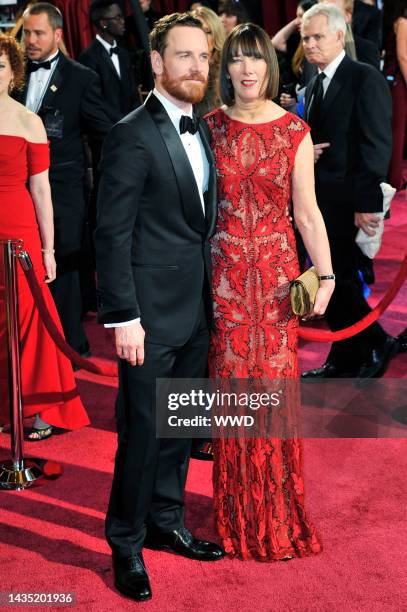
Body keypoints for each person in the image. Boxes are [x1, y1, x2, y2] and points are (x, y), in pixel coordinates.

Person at [95, 13, 224, 602]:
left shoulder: (206, 129)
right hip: (146, 319)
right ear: (156, 62)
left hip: (196, 311)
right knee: (142, 434)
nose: (196, 67)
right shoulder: (131, 133)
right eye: (184, 56)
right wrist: (124, 317)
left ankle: (167, 522)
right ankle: (125, 544)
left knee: (180, 429)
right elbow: (112, 234)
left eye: (203, 56)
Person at [206, 23, 334, 560]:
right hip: (226, 282)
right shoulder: (207, 127)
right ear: (226, 68)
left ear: (269, 65)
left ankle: (278, 511)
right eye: (236, 59)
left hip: (278, 283)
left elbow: (306, 212)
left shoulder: (294, 131)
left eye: (255, 58)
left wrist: (324, 275)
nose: (246, 68)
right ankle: (235, 510)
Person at [300, 3, 398, 380]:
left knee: (339, 278)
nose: (309, 44)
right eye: (306, 37)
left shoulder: (363, 77)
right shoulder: (314, 82)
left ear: (340, 36)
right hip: (322, 201)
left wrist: (367, 205)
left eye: (318, 36)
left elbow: (377, 146)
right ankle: (345, 355)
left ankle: (374, 343)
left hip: (349, 201)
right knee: (331, 278)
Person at [0, 35, 89, 440]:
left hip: (19, 232)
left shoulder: (27, 121)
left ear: (13, 71)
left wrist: (49, 249)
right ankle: (8, 405)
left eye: (1, 66)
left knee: (31, 321)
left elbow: (41, 190)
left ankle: (44, 408)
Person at [17, 3, 112, 359]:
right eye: (26, 32)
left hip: (64, 191)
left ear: (57, 34)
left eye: (38, 33)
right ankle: (33, 346)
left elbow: (106, 131)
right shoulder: (12, 74)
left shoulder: (81, 77)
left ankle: (70, 346)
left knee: (66, 268)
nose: (30, 40)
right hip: (19, 190)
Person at [79, 0, 140, 124]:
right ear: (104, 23)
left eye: (122, 16)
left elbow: (133, 93)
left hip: (132, 126)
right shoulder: (88, 57)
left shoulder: (124, 53)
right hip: (107, 129)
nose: (123, 21)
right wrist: (122, 123)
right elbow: (96, 101)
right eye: (118, 18)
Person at [382, 0, 407, 191]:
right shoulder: (402, 22)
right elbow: (403, 56)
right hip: (398, 83)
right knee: (397, 132)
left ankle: (393, 178)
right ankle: (394, 181)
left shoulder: (392, 21)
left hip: (391, 81)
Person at [191, 5, 225, 115]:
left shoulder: (228, 68)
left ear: (216, 36)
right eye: (197, 31)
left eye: (207, 32)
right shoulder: (181, 69)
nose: (202, 37)